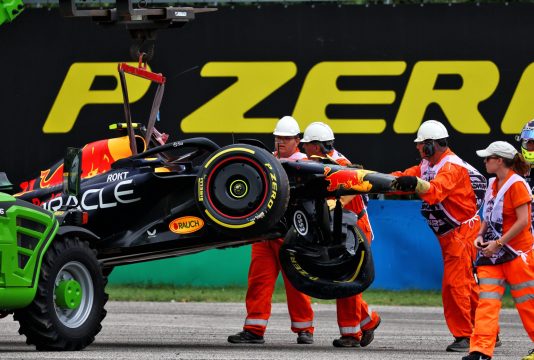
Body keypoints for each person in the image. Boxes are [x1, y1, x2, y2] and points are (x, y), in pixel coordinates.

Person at [391, 120, 488, 352]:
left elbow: (434, 192)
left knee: (455, 285)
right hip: (451, 234)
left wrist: (413, 183)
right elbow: (402, 179)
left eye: (421, 145)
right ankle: (487, 330)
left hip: (462, 233)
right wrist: (369, 179)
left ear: (432, 145)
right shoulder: (428, 165)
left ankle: (465, 335)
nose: (417, 149)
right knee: (468, 285)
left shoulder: (451, 167)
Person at [227, 116, 314, 345]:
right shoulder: (267, 161)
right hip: (264, 234)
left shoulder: (305, 164)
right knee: (258, 282)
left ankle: (305, 329)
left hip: (291, 235)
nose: (281, 142)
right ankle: (254, 329)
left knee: (296, 283)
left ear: (297, 140)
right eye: (278, 138)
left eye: (286, 138)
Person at [300, 121, 381, 348]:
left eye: (306, 145)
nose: (304, 148)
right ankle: (368, 321)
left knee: (347, 280)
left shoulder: (341, 166)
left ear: (316, 146)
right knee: (342, 279)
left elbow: (343, 198)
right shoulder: (319, 162)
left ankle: (351, 335)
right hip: (341, 227)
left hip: (355, 228)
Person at [462, 141, 534, 360]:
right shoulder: (492, 183)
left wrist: (499, 243)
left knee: (528, 304)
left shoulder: (517, 184)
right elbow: (488, 215)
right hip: (493, 254)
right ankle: (481, 350)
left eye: (488, 158)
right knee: (487, 303)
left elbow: (523, 221)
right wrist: (480, 236)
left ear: (499, 160)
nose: (484, 162)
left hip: (517, 253)